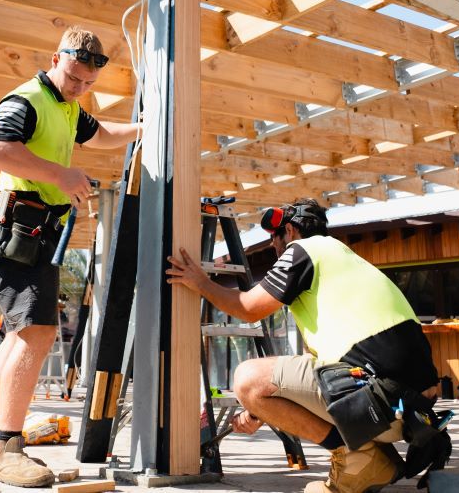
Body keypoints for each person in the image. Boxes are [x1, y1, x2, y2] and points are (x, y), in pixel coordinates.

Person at [0, 26, 140, 487]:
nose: (79, 88)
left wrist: (145, 127)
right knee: (38, 334)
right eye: (74, 77)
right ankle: (8, 448)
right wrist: (59, 174)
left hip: (32, 234)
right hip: (18, 232)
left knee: (17, 338)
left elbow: (100, 134)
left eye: (88, 83)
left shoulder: (67, 107)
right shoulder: (25, 100)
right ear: (55, 57)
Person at [166, 198, 441, 493]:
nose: (273, 245)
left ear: (290, 230)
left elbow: (248, 308)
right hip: (412, 411)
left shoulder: (303, 250)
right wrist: (261, 411)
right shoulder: (344, 260)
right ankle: (373, 456)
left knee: (248, 379)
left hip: (379, 400)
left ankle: (357, 457)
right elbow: (324, 372)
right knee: (275, 382)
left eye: (275, 237)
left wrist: (201, 282)